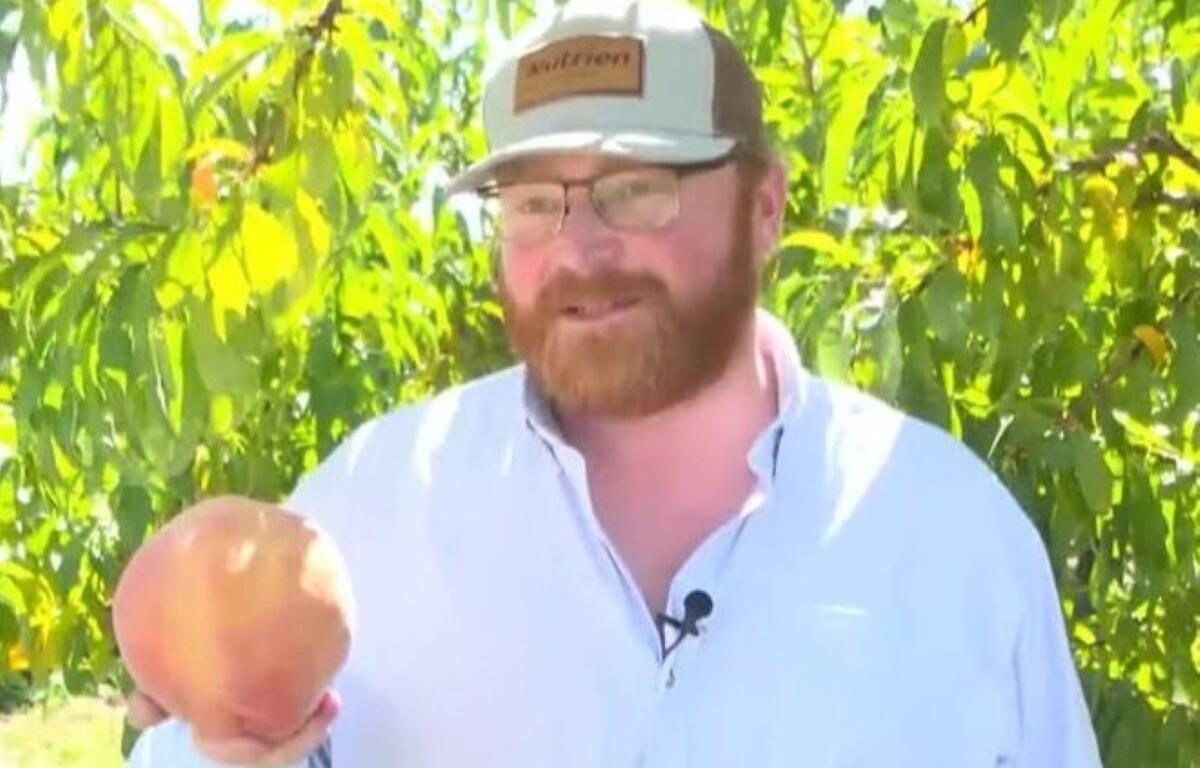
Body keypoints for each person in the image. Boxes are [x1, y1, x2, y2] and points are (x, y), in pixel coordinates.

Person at [124, 0, 1104, 765]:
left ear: (763, 207)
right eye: (534, 202)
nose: (580, 249)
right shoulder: (369, 510)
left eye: (639, 188)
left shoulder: (952, 540)